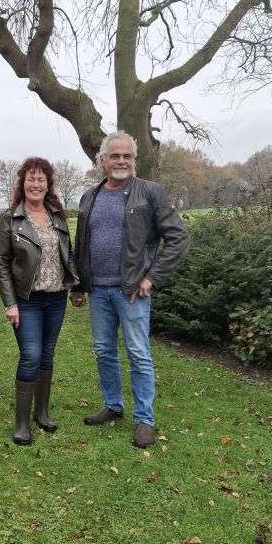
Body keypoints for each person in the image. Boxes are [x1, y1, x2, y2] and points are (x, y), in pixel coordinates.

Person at [70, 131, 190, 448]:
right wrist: (78, 285)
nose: (121, 161)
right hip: (98, 291)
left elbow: (178, 238)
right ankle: (113, 405)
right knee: (104, 351)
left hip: (132, 292)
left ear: (134, 160)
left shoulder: (150, 192)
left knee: (138, 353)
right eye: (115, 156)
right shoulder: (89, 197)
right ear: (103, 160)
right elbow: (81, 244)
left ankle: (144, 419)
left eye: (127, 156)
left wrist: (151, 278)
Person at [0, 157, 79, 445]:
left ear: (48, 184)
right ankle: (21, 422)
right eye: (31, 179)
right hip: (26, 300)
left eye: (41, 179)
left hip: (56, 298)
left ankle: (41, 412)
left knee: (47, 355)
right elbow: (0, 263)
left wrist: (77, 285)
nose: (36, 184)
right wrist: (10, 303)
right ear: (23, 183)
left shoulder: (57, 216)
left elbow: (68, 253)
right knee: (31, 355)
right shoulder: (10, 219)